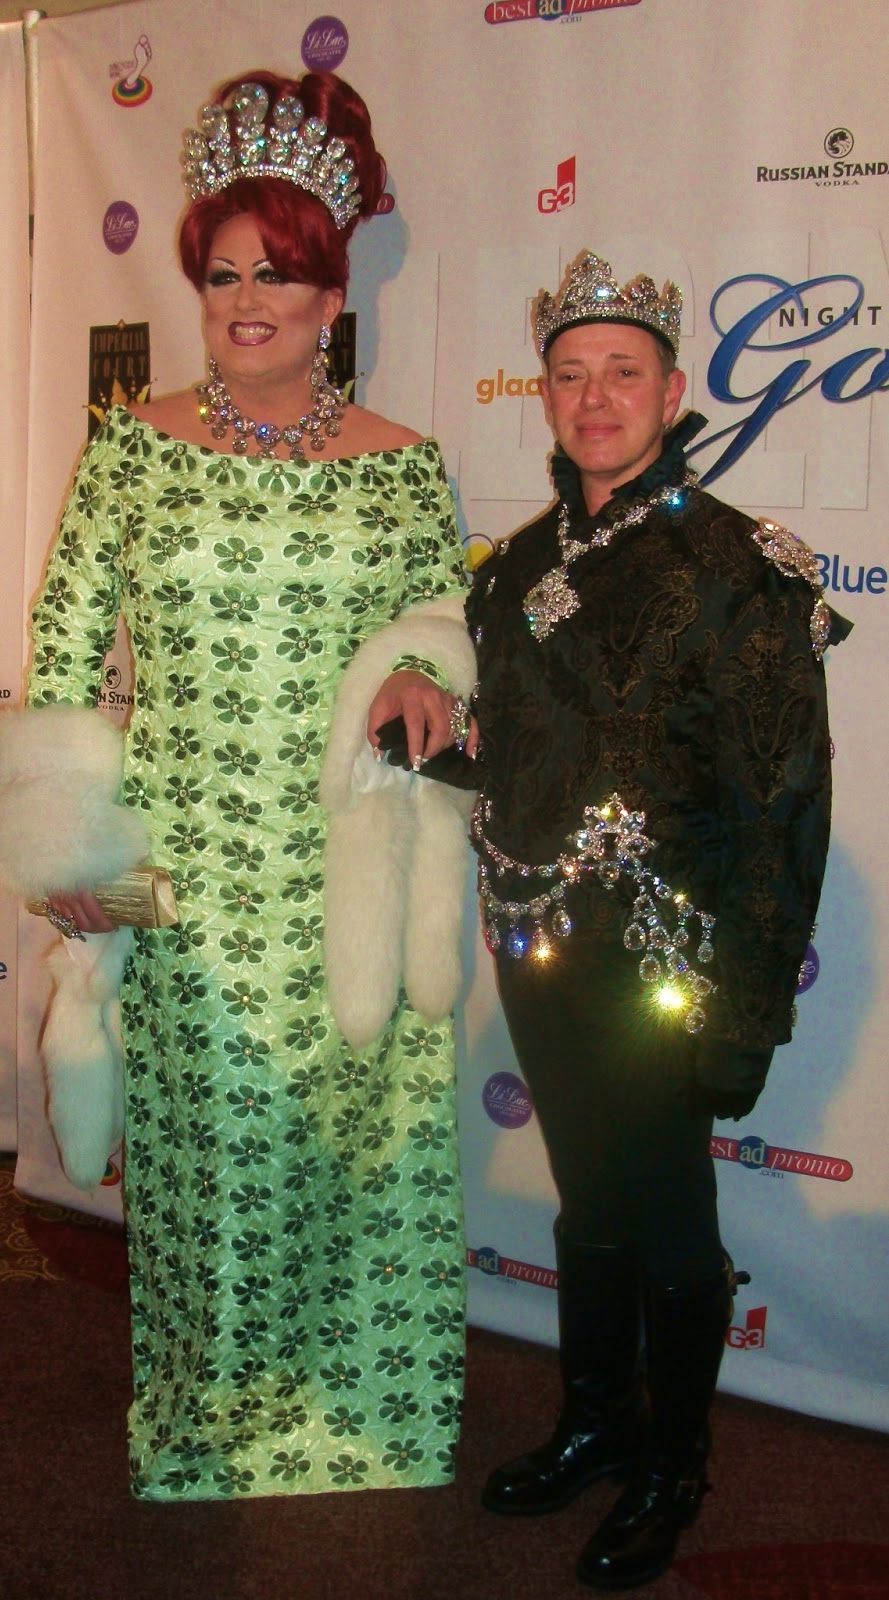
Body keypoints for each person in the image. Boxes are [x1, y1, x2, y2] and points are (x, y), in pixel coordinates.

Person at [0, 70, 477, 1502]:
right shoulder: (132, 449)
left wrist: (426, 673)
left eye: (278, 274)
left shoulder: (405, 469)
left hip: (347, 868)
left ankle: (371, 1418)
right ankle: (210, 1428)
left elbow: (439, 626)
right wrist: (68, 857)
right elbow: (64, 655)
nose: (248, 301)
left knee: (359, 1153)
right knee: (210, 1166)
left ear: (331, 294)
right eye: (223, 276)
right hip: (183, 872)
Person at [466, 250, 849, 1589]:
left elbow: (784, 800)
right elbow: (520, 758)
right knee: (587, 1200)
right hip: (539, 942)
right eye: (570, 374)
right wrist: (427, 745)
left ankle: (675, 1464)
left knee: (672, 1218)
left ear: (672, 391)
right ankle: (598, 1422)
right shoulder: (515, 565)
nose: (594, 396)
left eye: (621, 372)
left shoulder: (739, 565)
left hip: (669, 960)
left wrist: (749, 1008)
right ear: (544, 394)